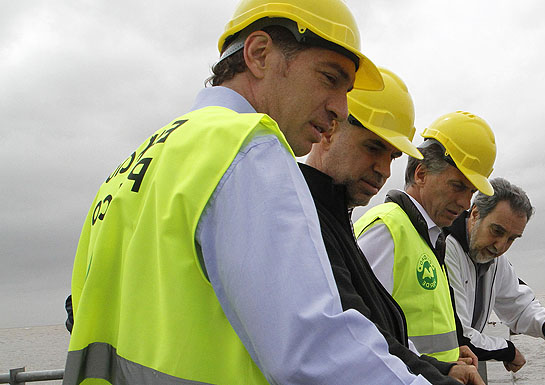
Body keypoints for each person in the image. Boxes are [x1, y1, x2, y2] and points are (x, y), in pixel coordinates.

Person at [64, 0, 438, 383]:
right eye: (330, 78)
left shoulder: (130, 166)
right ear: (259, 55)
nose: (340, 110)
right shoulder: (248, 147)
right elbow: (314, 348)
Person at [299, 68, 482, 385]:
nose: (384, 170)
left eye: (393, 156)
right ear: (328, 130)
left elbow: (376, 332)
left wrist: (439, 369)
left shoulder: (334, 220)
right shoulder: (306, 221)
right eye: (372, 147)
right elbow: (346, 346)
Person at [355, 111, 497, 364]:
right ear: (420, 174)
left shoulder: (427, 237)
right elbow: (362, 334)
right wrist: (440, 370)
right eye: (457, 186)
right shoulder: (387, 229)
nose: (465, 203)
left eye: (472, 192)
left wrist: (452, 353)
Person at [444, 177, 545, 375]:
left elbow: (518, 303)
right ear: (475, 213)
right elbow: (459, 334)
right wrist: (509, 351)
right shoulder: (445, 247)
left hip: (461, 365)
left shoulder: (495, 259)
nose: (500, 246)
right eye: (497, 231)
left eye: (511, 238)